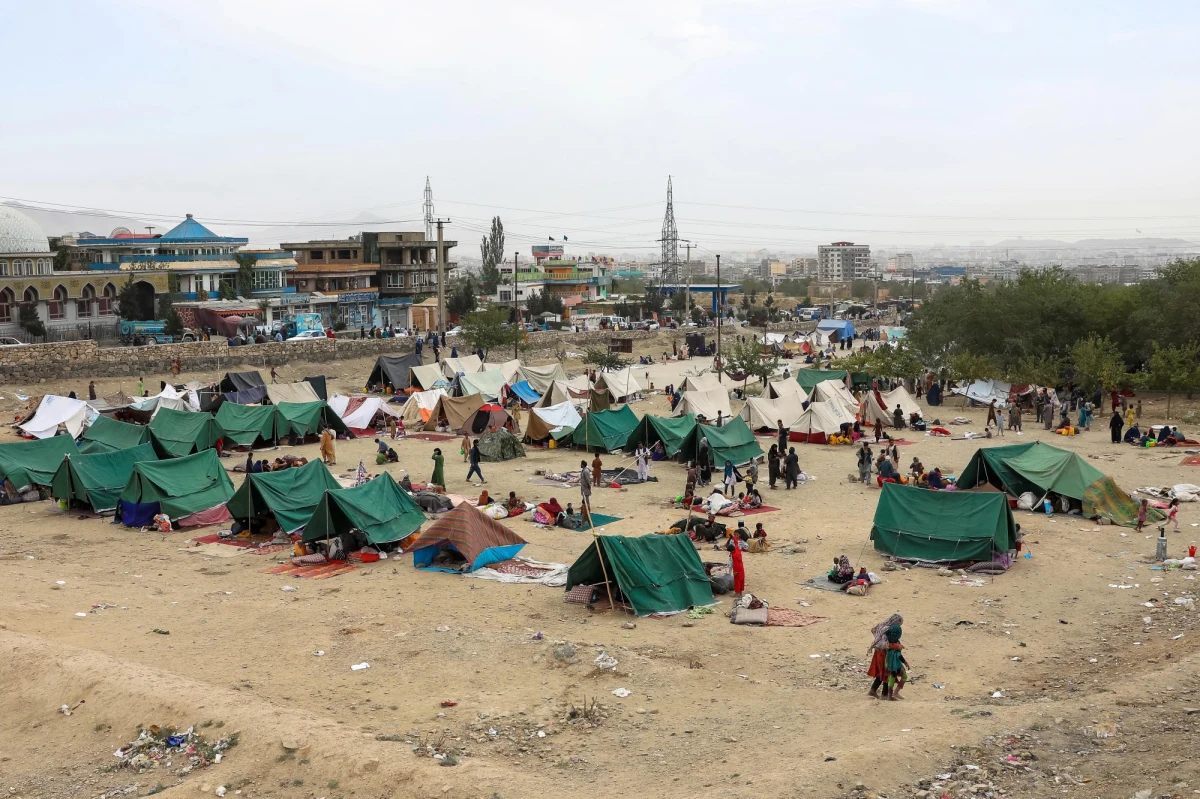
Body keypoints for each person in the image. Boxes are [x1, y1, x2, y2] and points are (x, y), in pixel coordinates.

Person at [867, 613, 904, 699]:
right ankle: (884, 694)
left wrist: (877, 638)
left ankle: (873, 690)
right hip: (884, 654)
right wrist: (896, 646)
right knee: (887, 672)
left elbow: (873, 630)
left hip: (877, 652)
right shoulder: (888, 629)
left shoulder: (882, 624)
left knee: (881, 672)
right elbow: (885, 644)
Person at [579, 460, 592, 525]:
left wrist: (589, 486)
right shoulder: (583, 470)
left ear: (583, 464)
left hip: (586, 487)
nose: (580, 465)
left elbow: (587, 479)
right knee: (584, 498)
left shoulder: (586, 471)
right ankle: (584, 508)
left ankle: (587, 509)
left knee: (586, 498)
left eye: (581, 464)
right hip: (584, 486)